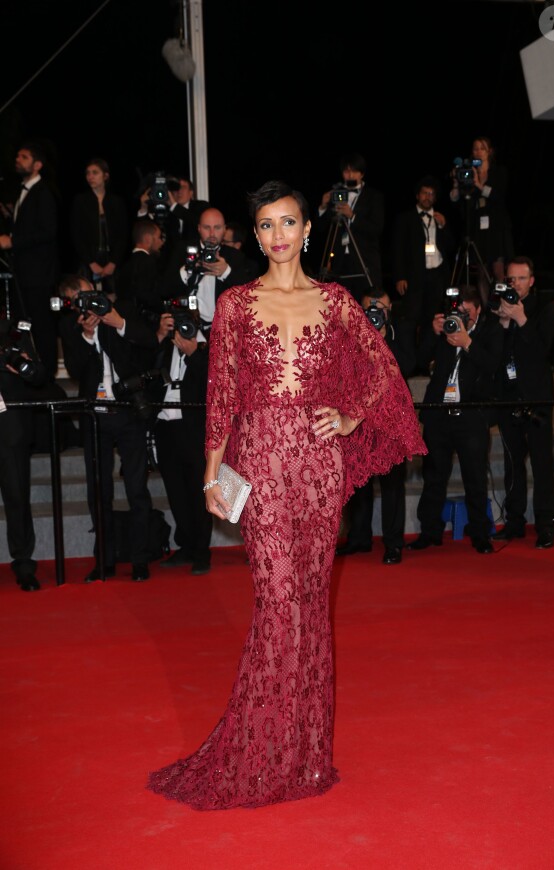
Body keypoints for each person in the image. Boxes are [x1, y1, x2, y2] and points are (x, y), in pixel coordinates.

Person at [146, 179, 426, 811]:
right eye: (267, 225)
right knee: (278, 601)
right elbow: (222, 393)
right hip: (262, 465)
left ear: (307, 229)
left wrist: (350, 418)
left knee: (311, 601)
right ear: (256, 235)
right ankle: (261, 752)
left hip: (319, 467)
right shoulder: (237, 305)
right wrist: (212, 473)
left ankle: (304, 752)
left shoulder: (336, 301)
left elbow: (383, 370)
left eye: (289, 222)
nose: (278, 235)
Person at [57, 273, 159, 582]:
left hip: (128, 411)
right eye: (80, 300)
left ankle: (140, 559)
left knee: (136, 488)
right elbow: (75, 370)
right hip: (95, 416)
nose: (88, 303)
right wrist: (87, 337)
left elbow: (149, 342)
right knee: (98, 491)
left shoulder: (121, 310)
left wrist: (118, 323)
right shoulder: (72, 327)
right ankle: (104, 560)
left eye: (90, 295)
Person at [407, 284, 503, 554]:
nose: (461, 318)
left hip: (470, 416)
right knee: (433, 477)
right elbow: (420, 359)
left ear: (479, 310)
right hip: (439, 415)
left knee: (475, 477)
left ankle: (480, 533)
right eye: (458, 311)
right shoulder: (445, 329)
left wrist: (467, 343)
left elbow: (492, 365)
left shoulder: (489, 332)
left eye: (467, 313)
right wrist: (433, 331)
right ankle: (429, 531)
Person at [335, 289, 416, 565]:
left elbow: (407, 366)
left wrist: (381, 339)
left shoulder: (399, 334)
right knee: (359, 481)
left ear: (390, 309)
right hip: (360, 418)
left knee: (392, 485)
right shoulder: (351, 336)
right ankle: (359, 538)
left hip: (391, 420)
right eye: (368, 308)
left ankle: (393, 543)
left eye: (380, 308)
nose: (374, 314)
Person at [490, 256, 554, 549]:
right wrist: (504, 323)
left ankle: (545, 525)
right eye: (511, 279)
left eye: (520, 279)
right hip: (509, 397)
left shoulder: (545, 308)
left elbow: (544, 351)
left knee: (542, 465)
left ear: (531, 281)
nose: (515, 284)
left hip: (537, 397)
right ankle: (514, 522)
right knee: (512, 464)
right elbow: (493, 354)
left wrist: (521, 319)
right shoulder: (501, 306)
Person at [150, 306, 213, 575]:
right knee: (175, 492)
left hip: (194, 428)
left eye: (187, 323)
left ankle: (201, 551)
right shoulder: (164, 347)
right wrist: (159, 336)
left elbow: (214, 383)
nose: (182, 329)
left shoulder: (207, 349)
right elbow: (149, 373)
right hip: (165, 427)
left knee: (199, 493)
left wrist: (193, 353)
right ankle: (185, 546)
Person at [0, 141, 60, 379]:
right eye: (18, 156)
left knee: (42, 324)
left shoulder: (42, 193)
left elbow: (47, 231)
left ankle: (47, 374)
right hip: (24, 272)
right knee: (25, 323)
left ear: (37, 165)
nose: (18, 160)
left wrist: (12, 241)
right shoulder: (24, 191)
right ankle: (30, 370)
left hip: (38, 273)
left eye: (24, 157)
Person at [0, 316, 48, 591]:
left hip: (10, 428)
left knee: (17, 496)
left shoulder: (15, 332)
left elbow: (40, 376)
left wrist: (24, 369)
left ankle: (23, 562)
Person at [391, 175, 456, 368]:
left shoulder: (440, 218)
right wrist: (400, 276)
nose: (428, 197)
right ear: (418, 195)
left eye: (432, 194)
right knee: (411, 319)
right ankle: (409, 362)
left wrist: (444, 226)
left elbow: (451, 247)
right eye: (425, 193)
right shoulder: (406, 218)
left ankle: (428, 361)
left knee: (433, 319)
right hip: (414, 276)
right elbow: (398, 250)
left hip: (436, 275)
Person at [315, 152, 385, 303]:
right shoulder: (335, 194)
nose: (350, 175)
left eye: (354, 171)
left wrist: (352, 216)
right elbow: (321, 228)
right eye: (347, 171)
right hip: (340, 261)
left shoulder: (373, 196)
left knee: (367, 304)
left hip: (364, 260)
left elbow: (376, 229)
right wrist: (323, 206)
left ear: (362, 174)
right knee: (342, 305)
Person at [450, 136, 514, 295]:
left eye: (482, 148)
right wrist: (456, 183)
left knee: (498, 269)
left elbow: (499, 196)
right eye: (475, 149)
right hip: (478, 226)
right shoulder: (468, 172)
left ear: (489, 151)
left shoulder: (498, 171)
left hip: (496, 225)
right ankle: (485, 307)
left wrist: (479, 184)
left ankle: (502, 303)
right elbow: (455, 199)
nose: (478, 152)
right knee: (481, 272)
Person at [69, 157, 129, 298]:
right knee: (87, 297)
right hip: (89, 259)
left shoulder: (116, 201)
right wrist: (91, 262)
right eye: (88, 173)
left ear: (105, 176)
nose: (90, 177)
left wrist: (113, 262)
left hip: (111, 259)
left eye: (95, 172)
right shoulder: (81, 201)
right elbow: (76, 234)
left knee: (113, 298)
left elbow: (123, 234)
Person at [114, 219, 166, 313]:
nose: (161, 242)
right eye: (159, 237)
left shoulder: (125, 263)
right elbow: (147, 296)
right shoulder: (147, 262)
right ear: (148, 238)